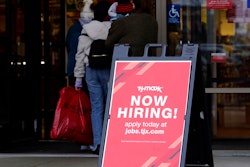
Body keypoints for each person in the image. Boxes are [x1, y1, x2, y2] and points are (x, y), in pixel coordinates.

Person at [74, 0, 112, 154]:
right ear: (107, 15)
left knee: (97, 107)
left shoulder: (86, 29)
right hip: (108, 69)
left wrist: (78, 78)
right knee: (111, 106)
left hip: (91, 70)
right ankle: (111, 141)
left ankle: (98, 143)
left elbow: (80, 54)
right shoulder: (112, 28)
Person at [65, 0, 94, 94]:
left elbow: (68, 47)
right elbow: (77, 52)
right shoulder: (79, 31)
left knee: (77, 102)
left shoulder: (74, 29)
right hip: (79, 70)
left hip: (75, 69)